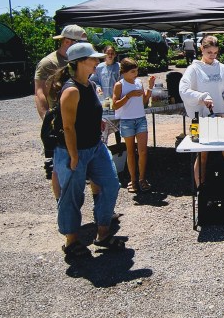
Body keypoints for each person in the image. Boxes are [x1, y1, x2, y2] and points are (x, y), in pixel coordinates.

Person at [48, 42, 122, 264]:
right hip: (73, 150)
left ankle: (103, 232)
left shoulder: (89, 85)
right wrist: (73, 156)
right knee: (72, 194)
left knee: (110, 183)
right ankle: (71, 241)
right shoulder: (70, 90)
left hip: (95, 147)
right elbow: (68, 127)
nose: (97, 60)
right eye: (92, 58)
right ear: (80, 62)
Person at [179, 35, 224, 202]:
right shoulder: (194, 69)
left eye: (216, 52)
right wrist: (201, 97)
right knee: (202, 156)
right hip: (202, 119)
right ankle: (200, 192)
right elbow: (183, 89)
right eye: (209, 52)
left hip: (222, 117)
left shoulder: (222, 68)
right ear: (201, 49)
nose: (212, 56)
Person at [35, 24, 88, 199]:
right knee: (60, 165)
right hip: (60, 122)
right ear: (67, 41)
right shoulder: (49, 63)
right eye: (81, 43)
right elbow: (40, 92)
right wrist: (46, 120)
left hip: (80, 119)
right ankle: (62, 204)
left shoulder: (79, 60)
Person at [112, 58, 155, 193]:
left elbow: (143, 101)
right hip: (127, 120)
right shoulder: (120, 85)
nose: (135, 74)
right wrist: (128, 96)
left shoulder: (138, 82)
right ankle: (133, 179)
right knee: (130, 151)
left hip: (140, 119)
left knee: (142, 151)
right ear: (124, 72)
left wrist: (150, 87)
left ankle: (142, 178)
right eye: (132, 71)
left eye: (136, 71)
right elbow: (115, 105)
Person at [90, 44, 121, 142]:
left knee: (118, 122)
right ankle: (104, 143)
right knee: (106, 122)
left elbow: (122, 80)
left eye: (112, 53)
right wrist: (98, 87)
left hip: (116, 99)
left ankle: (119, 144)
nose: (110, 55)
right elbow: (94, 80)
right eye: (108, 53)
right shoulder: (99, 67)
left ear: (115, 54)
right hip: (105, 100)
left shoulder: (119, 67)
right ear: (104, 54)